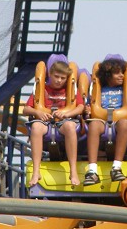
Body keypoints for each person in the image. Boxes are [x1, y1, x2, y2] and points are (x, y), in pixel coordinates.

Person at [23, 59, 84, 187]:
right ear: (50, 74)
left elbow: (80, 107)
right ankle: (36, 172)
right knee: (36, 127)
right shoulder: (41, 89)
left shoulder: (70, 90)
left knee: (70, 127)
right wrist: (38, 112)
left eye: (63, 78)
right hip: (45, 121)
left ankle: (73, 171)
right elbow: (26, 109)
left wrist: (67, 114)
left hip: (63, 121)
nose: (59, 80)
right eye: (56, 76)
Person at [83, 56, 127, 186]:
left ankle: (116, 167)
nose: (121, 75)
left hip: (120, 120)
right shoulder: (98, 90)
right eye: (117, 73)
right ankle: (92, 170)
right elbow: (89, 106)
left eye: (122, 72)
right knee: (93, 125)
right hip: (102, 120)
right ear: (107, 75)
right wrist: (87, 111)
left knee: (125, 123)